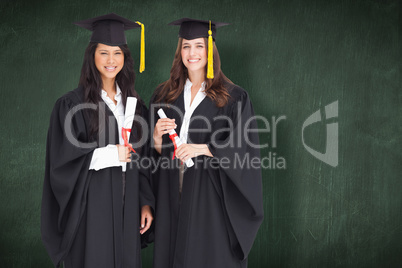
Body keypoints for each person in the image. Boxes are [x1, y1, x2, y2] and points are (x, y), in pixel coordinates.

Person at [41, 13, 154, 268]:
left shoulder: (135, 107)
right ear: (92, 56)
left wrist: (146, 201)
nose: (111, 60)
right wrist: (110, 154)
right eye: (104, 52)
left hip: (128, 208)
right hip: (92, 209)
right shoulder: (72, 105)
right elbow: (63, 161)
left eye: (117, 53)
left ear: (125, 58)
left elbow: (144, 159)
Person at [150, 18, 264, 268]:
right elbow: (154, 157)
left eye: (199, 46)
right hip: (172, 197)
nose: (192, 53)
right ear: (179, 51)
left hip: (210, 198)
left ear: (210, 50)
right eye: (186, 46)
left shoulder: (233, 97)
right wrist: (157, 139)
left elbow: (244, 148)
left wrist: (204, 148)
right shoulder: (164, 95)